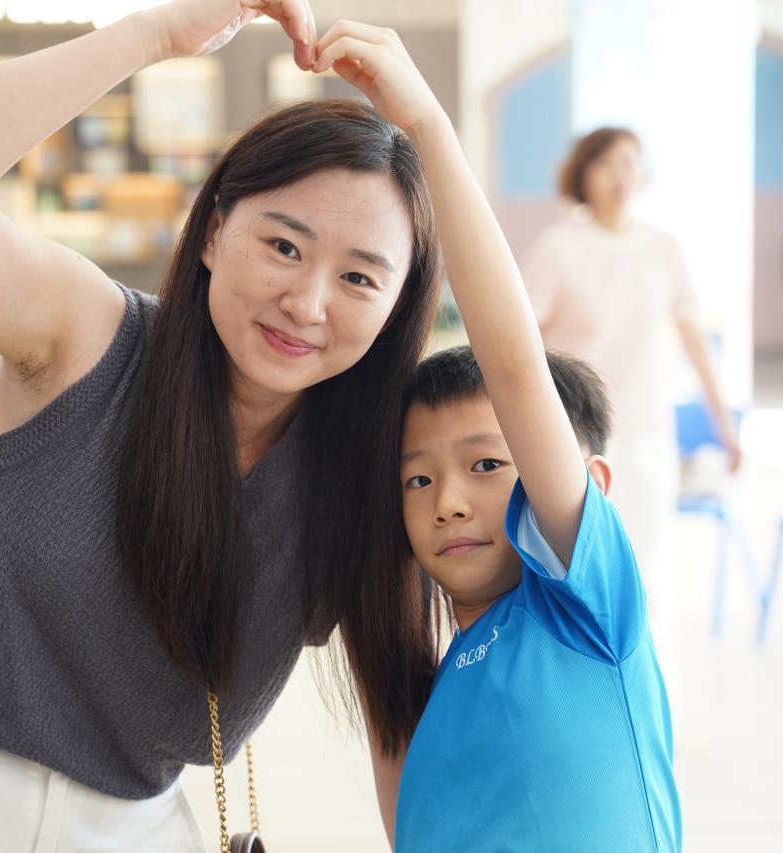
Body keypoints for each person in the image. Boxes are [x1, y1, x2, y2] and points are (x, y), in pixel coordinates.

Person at [0, 2, 443, 849]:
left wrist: (430, 128)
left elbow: (400, 719)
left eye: (360, 278)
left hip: (136, 825)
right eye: (284, 247)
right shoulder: (89, 335)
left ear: (398, 305)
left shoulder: (364, 471)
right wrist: (154, 35)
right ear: (213, 233)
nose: (307, 302)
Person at [305, 37, 680, 848]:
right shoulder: (429, 692)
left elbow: (511, 359)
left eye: (485, 464)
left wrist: (426, 126)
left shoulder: (586, 612)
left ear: (592, 484)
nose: (447, 501)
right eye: (416, 479)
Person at [520, 127, 741, 648]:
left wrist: (725, 427)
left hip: (645, 433)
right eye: (607, 164)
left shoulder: (663, 248)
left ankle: (636, 676)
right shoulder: (559, 248)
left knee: (645, 573)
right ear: (583, 174)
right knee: (577, 572)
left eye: (630, 163)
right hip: (573, 437)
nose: (620, 176)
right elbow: (521, 342)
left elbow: (693, 340)